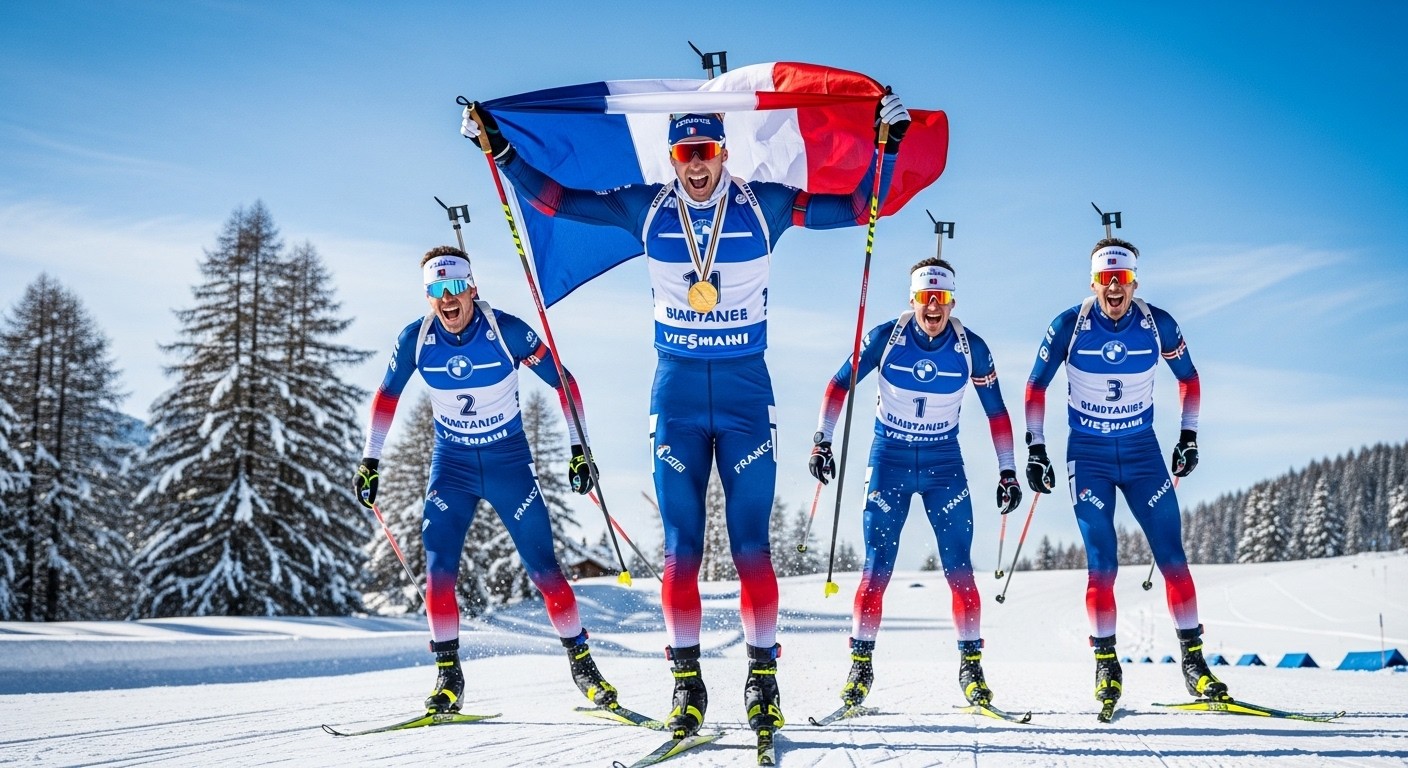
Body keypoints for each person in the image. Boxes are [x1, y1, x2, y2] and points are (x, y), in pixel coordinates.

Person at [462, 96, 912, 737]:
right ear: (672, 158)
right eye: (684, 154)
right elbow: (557, 201)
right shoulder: (646, 207)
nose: (695, 166)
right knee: (682, 551)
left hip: (743, 394)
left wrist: (886, 146)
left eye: (705, 153)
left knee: (752, 547)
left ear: (724, 153)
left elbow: (864, 207)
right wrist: (500, 150)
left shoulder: (767, 204)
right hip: (674, 396)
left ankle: (762, 682)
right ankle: (687, 686)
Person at [353, 245, 619, 715]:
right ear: (428, 296)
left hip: (508, 465)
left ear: (472, 287)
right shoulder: (416, 339)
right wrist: (370, 461)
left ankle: (584, 667)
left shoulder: (506, 331)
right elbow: (385, 397)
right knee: (438, 572)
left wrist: (580, 451)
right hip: (451, 468)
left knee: (545, 570)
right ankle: (448, 678)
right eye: (436, 290)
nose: (447, 298)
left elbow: (566, 383)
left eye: (455, 286)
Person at [1023, 237, 1227, 710]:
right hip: (1088, 456)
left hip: (1142, 454)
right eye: (1105, 280)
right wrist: (1037, 450)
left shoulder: (1158, 324)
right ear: (1093, 281)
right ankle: (1107, 667)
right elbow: (1035, 386)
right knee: (1103, 565)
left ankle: (1194, 665)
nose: (1114, 290)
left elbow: (1190, 379)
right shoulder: (1069, 325)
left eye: (1123, 280)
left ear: (1134, 282)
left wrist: (1189, 437)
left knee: (1173, 557)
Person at [808, 258, 1021, 709]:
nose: (933, 307)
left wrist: (1008, 471)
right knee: (876, 567)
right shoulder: (886, 338)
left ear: (952, 302)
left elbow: (997, 413)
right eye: (926, 297)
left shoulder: (971, 348)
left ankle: (972, 670)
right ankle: (860, 667)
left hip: (945, 464)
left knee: (959, 568)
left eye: (941, 299)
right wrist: (822, 442)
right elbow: (837, 384)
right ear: (913, 299)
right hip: (891, 460)